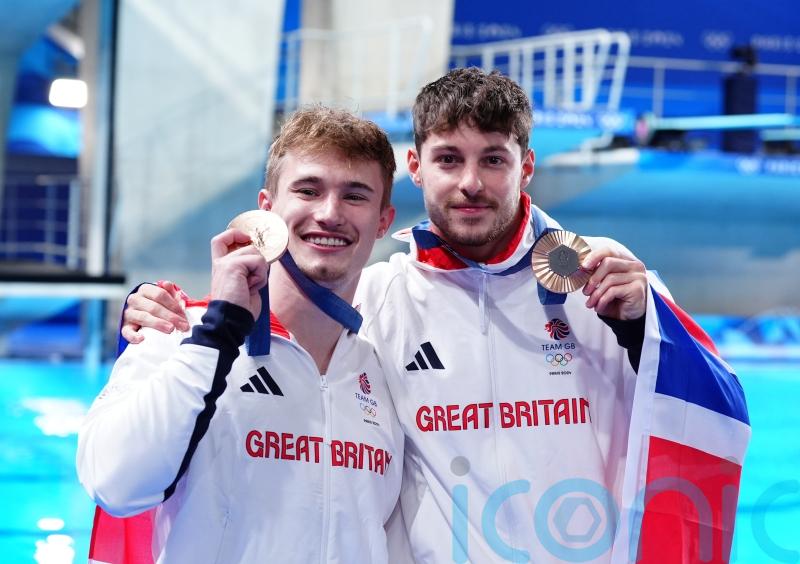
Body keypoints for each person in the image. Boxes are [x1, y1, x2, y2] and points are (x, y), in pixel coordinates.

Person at [121, 69, 749, 563]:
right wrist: (159, 311)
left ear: (525, 166)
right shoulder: (373, 298)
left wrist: (645, 326)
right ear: (417, 168)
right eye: (449, 159)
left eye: (494, 159)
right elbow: (276, 319)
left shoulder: (604, 282)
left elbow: (718, 408)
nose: (471, 182)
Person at [77, 107, 406, 563]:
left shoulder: (381, 370)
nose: (329, 213)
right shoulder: (177, 332)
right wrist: (218, 334)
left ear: (384, 221)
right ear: (266, 209)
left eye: (355, 196)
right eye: (308, 190)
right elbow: (114, 483)